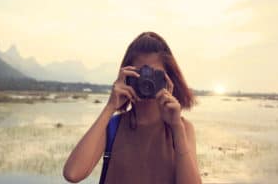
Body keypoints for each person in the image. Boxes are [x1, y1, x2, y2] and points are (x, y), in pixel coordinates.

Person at [63, 31, 202, 184]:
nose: (146, 81)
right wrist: (110, 107)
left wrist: (176, 127)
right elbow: (72, 173)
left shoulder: (182, 129)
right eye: (139, 74)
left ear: (168, 80)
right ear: (126, 76)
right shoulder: (113, 127)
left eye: (154, 75)